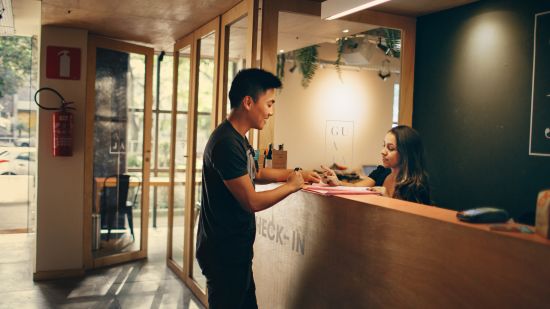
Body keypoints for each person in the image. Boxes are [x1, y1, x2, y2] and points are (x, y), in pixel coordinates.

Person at [196, 68, 321, 309]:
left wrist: (295, 173)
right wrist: (293, 186)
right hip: (224, 254)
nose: (271, 112)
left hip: (235, 251)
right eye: (269, 103)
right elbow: (251, 201)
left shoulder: (239, 139)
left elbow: (258, 173)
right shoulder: (226, 143)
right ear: (248, 102)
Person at [322, 125, 431, 205]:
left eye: (390, 148)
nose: (383, 151)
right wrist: (337, 182)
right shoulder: (381, 172)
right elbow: (356, 187)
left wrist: (388, 199)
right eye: (383, 145)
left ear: (406, 153)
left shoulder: (416, 185)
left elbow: (412, 222)